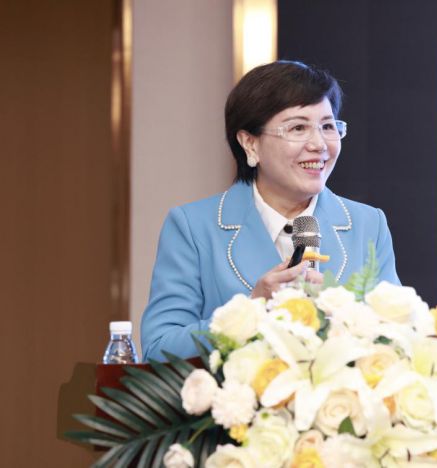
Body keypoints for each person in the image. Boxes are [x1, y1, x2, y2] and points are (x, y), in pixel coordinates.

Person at [141, 61, 400, 360]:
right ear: (250, 143)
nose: (319, 144)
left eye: (328, 126)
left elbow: (398, 337)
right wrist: (253, 310)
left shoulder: (368, 224)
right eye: (298, 128)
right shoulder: (193, 227)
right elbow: (158, 348)